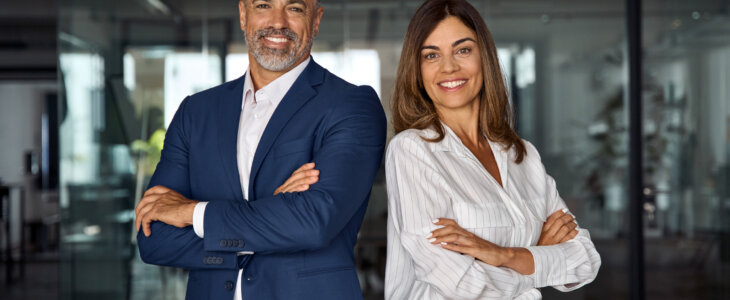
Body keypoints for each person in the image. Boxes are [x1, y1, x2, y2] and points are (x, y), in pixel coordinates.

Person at [133, 0, 386, 299]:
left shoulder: (351, 106)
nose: (278, 22)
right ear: (243, 14)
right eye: (263, 5)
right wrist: (273, 214)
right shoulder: (196, 112)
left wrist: (192, 213)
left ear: (316, 20)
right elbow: (154, 238)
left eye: (294, 8)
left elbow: (314, 221)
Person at [384, 0, 601, 299]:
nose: (449, 67)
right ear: (417, 70)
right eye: (431, 55)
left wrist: (501, 255)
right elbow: (460, 283)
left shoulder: (523, 156)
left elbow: (586, 260)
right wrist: (536, 255)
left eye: (463, 50)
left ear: (484, 57)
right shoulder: (412, 151)